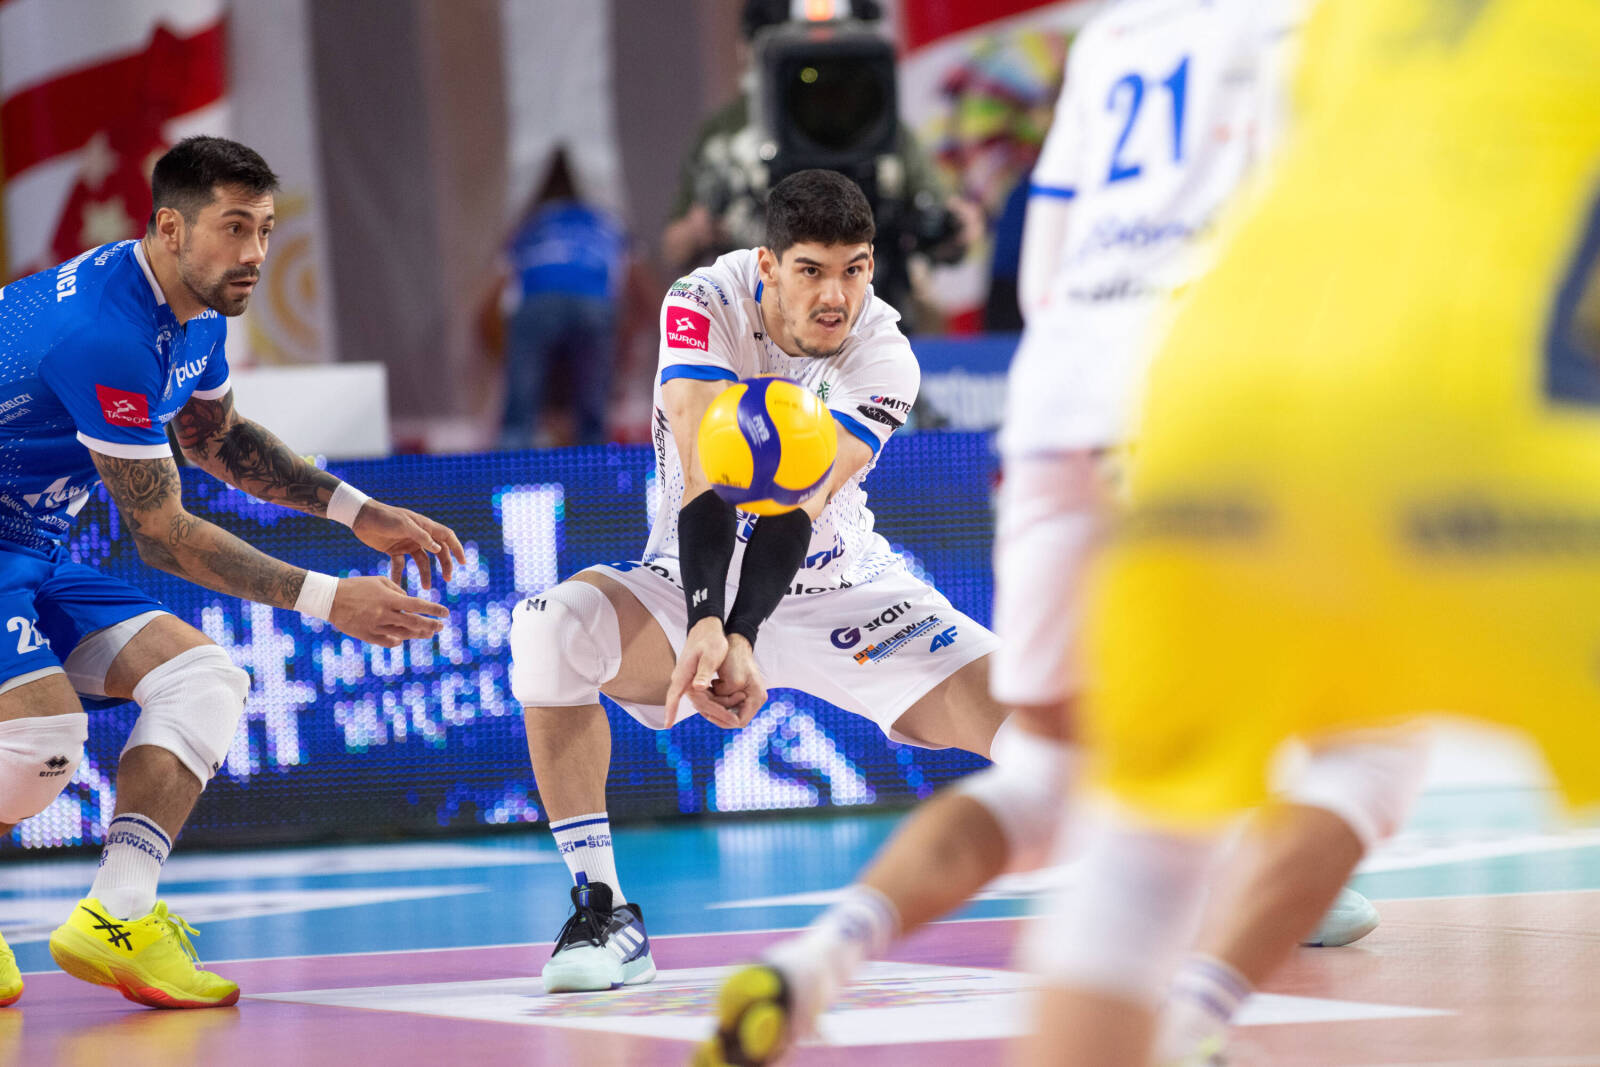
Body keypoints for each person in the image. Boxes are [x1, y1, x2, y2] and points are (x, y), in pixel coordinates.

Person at [697, 4, 1427, 1064]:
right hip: (1209, 400)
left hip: (1061, 409)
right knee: (1369, 756)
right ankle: (1191, 1020)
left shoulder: (1113, 40)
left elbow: (1041, 269)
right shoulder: (1307, 28)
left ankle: (816, 960)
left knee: (1046, 773)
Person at [1024, 0, 1600, 1063]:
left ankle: (1178, 1015)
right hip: (1476, 422)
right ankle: (1207, 994)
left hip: (1204, 407)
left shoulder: (1344, 20)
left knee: (1139, 853)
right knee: (1366, 762)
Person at [511, 167, 1017, 995]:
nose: (836, 296)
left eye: (855, 269)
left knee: (1042, 731)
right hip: (687, 575)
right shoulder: (701, 303)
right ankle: (602, 910)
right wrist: (707, 619)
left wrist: (740, 634)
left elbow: (800, 506)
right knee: (548, 626)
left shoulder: (885, 353)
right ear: (768, 266)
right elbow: (707, 479)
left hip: (845, 589)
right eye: (812, 270)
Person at [0, 136, 463, 1009]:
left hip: (29, 546)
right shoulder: (104, 333)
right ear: (171, 228)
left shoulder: (196, 309)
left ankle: (116, 918)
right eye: (235, 227)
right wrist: (329, 599)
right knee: (40, 744)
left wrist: (358, 511)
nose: (255, 252)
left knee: (203, 680)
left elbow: (217, 440)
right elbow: (163, 534)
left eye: (266, 228)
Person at [496, 148, 630, 449]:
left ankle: (512, 451)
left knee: (522, 398)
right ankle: (596, 458)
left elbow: (505, 279)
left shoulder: (533, 221)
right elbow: (624, 277)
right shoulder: (604, 221)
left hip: (538, 298)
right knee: (593, 400)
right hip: (594, 299)